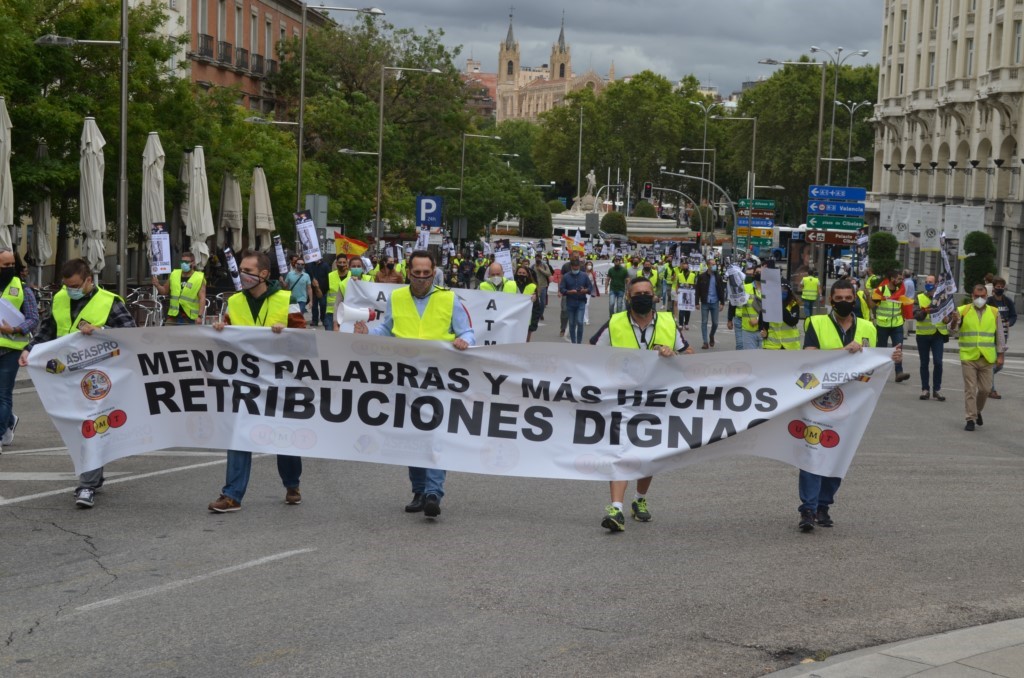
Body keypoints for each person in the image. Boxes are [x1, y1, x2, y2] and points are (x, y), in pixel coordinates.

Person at [354, 250, 474, 518]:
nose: (421, 278)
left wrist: (464, 341)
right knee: (413, 435)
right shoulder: (397, 297)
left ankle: (433, 492)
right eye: (416, 273)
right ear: (408, 271)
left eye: (426, 273)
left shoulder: (449, 298)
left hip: (438, 379)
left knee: (435, 435)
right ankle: (419, 491)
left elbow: (467, 330)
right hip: (405, 378)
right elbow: (387, 329)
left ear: (434, 272)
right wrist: (369, 333)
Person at [20, 259, 135, 508]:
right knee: (82, 426)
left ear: (88, 281)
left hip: (99, 377)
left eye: (74, 285)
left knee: (90, 425)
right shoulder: (61, 298)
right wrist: (30, 349)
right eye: (66, 285)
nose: (69, 289)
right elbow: (47, 330)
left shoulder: (109, 301)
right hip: (68, 376)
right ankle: (95, 474)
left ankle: (87, 485)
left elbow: (129, 332)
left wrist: (102, 329)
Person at [589, 276, 693, 532]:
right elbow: (590, 355)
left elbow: (690, 355)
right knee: (620, 451)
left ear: (655, 296)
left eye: (647, 292)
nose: (643, 297)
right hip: (622, 398)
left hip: (657, 399)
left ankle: (640, 500)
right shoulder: (615, 323)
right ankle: (616, 508)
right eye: (637, 294)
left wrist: (673, 354)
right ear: (628, 298)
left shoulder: (668, 322)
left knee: (648, 453)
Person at [799, 279, 902, 531]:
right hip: (819, 399)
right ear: (830, 300)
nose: (844, 302)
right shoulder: (816, 322)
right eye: (839, 298)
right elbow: (808, 355)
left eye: (848, 298)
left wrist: (891, 357)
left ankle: (824, 505)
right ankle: (808, 510)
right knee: (812, 453)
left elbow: (872, 364)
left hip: (852, 403)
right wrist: (842, 351)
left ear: (854, 300)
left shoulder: (868, 326)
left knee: (838, 454)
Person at [206, 250, 304, 512]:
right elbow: (227, 337)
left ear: (263, 274)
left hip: (279, 382)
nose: (242, 275)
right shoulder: (235, 301)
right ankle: (232, 495)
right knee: (239, 435)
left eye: (248, 270)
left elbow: (304, 339)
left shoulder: (287, 298)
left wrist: (288, 333)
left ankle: (292, 483)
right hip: (246, 382)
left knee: (284, 438)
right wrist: (219, 328)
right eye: (240, 269)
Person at [951, 284, 1006, 431]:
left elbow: (1000, 334)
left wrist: (1001, 354)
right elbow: (953, 330)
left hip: (987, 357)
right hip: (969, 356)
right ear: (972, 296)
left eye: (982, 296)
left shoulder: (994, 312)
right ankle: (970, 418)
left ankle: (977, 411)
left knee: (985, 390)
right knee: (970, 388)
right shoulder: (963, 310)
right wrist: (954, 320)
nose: (979, 299)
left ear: (987, 296)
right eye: (976, 296)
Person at [0, 248, 39, 453]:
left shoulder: (22, 289)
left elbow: (34, 319)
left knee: (3, 394)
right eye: (4, 265)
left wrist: (15, 329)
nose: (8, 269)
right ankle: (9, 420)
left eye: (11, 265)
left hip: (11, 350)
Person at [913, 275, 952, 401]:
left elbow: (949, 315)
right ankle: (925, 389)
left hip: (938, 334)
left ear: (936, 284)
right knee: (924, 363)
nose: (928, 284)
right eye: (926, 282)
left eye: (930, 282)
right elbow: (916, 315)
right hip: (923, 335)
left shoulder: (942, 297)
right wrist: (925, 311)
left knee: (938, 362)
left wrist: (948, 319)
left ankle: (937, 389)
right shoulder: (919, 297)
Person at [872, 269, 911, 382]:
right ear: (892, 279)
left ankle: (899, 372)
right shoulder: (881, 290)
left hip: (897, 324)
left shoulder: (901, 290)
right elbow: (871, 305)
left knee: (898, 349)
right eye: (899, 278)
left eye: (901, 279)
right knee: (881, 350)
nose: (901, 281)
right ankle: (880, 373)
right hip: (882, 325)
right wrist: (871, 296)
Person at [152, 251, 206, 325]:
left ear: (193, 263)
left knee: (187, 336)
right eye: (182, 261)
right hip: (174, 315)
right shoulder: (174, 274)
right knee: (167, 335)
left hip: (190, 317)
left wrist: (200, 316)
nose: (184, 264)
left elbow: (202, 298)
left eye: (187, 262)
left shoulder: (199, 278)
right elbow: (164, 291)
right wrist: (157, 285)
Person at [987, 277, 1016, 399]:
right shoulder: (989, 301)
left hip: (1003, 336)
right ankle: (991, 389)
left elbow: (1013, 315)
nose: (1000, 289)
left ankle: (985, 377)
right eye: (997, 287)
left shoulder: (1007, 301)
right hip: (990, 337)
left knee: (1000, 365)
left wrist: (1009, 323)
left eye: (1002, 287)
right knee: (994, 362)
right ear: (994, 288)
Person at [559, 255, 593, 344]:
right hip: (570, 302)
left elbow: (590, 288)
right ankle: (574, 343)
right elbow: (562, 288)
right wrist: (569, 292)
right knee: (572, 323)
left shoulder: (584, 276)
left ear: (579, 266)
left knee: (580, 322)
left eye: (577, 266)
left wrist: (585, 290)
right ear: (571, 267)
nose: (575, 268)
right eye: (573, 267)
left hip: (581, 301)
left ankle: (579, 342)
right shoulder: (566, 276)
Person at [695, 260, 726, 349]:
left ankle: (711, 335)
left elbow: (721, 290)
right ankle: (705, 342)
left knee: (715, 323)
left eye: (715, 264)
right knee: (704, 322)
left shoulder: (718, 277)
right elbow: (698, 290)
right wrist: (697, 302)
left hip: (715, 302)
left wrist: (722, 302)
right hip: (705, 303)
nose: (714, 266)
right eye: (712, 264)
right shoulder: (702, 276)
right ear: (708, 265)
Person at [761, 282, 800, 350]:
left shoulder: (793, 304)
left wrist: (779, 306)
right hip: (772, 345)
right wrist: (762, 330)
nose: (782, 291)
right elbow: (763, 320)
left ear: (789, 291)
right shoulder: (769, 304)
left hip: (790, 346)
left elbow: (793, 321)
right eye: (780, 289)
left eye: (785, 289)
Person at [736, 266, 763, 350]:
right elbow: (737, 304)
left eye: (762, 272)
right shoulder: (745, 288)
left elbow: (772, 309)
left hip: (764, 330)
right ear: (754, 274)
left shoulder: (770, 290)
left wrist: (758, 319)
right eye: (757, 272)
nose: (759, 274)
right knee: (750, 358)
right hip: (748, 330)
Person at [514, 264, 541, 341]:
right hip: (513, 320)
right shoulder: (511, 285)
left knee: (524, 344)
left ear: (527, 275)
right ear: (516, 274)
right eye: (519, 273)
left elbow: (536, 307)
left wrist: (534, 323)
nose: (521, 275)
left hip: (527, 322)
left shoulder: (532, 287)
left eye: (523, 273)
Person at [305, 255, 331, 330]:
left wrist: (326, 288)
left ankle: (323, 319)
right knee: (314, 306)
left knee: (323, 305)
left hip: (323, 290)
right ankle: (315, 320)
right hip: (313, 290)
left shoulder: (325, 265)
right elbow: (308, 274)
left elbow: (328, 277)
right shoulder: (310, 265)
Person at [324, 256, 349, 331]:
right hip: (331, 312)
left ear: (347, 263)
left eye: (344, 262)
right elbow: (322, 293)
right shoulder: (330, 276)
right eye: (340, 262)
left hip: (347, 312)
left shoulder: (352, 276)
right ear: (336, 263)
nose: (342, 264)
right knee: (330, 337)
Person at [673, 259, 697, 330]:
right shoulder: (680, 275)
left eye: (686, 267)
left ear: (688, 267)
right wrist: (677, 290)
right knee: (681, 308)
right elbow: (677, 284)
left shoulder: (693, 275)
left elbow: (695, 284)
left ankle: (686, 323)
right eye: (684, 267)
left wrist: (691, 287)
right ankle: (680, 324)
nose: (685, 268)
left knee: (688, 309)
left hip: (689, 293)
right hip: (682, 293)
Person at [531, 254, 553, 319]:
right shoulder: (533, 266)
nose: (537, 259)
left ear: (541, 258)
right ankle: (536, 314)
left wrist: (541, 269)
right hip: (535, 286)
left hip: (543, 286)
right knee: (535, 302)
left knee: (543, 303)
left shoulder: (544, 265)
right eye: (536, 258)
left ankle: (541, 314)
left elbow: (549, 273)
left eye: (539, 258)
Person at [582, 260, 599, 324]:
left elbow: (593, 283)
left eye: (591, 265)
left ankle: (586, 320)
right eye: (588, 265)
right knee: (582, 305)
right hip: (582, 291)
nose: (589, 266)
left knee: (586, 304)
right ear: (585, 266)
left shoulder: (593, 274)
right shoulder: (582, 273)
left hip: (588, 291)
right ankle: (583, 318)